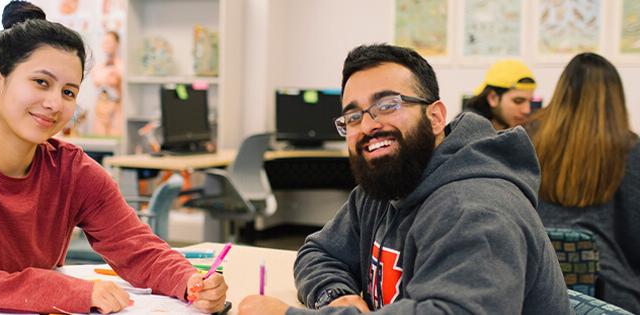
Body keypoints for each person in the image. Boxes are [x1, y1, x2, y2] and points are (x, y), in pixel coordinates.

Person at [0, 2, 227, 314]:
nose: (55, 103)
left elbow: (137, 248)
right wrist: (71, 292)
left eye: (69, 92)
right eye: (41, 83)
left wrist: (188, 281)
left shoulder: (74, 171)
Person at [238, 44, 570, 314]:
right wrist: (336, 296)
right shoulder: (384, 185)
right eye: (353, 116)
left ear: (436, 117)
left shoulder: (477, 209)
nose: (368, 126)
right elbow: (319, 252)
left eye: (388, 104)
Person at [527, 52, 640, 315]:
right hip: (613, 299)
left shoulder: (528, 140)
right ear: (615, 100)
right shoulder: (628, 148)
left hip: (536, 292)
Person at [463, 59, 536, 130]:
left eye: (530, 101)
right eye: (518, 101)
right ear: (493, 98)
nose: (527, 110)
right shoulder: (467, 129)